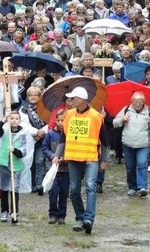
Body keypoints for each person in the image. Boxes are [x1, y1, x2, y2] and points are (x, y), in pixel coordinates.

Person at [52, 87, 108, 234]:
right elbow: (63, 137)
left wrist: (104, 159)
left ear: (81, 100)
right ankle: (80, 218)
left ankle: (89, 219)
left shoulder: (96, 116)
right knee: (74, 190)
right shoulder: (68, 115)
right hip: (73, 156)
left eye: (72, 98)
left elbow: (105, 141)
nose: (69, 101)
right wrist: (57, 155)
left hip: (91, 157)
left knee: (90, 186)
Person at [113, 91, 150, 197]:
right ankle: (132, 187)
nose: (137, 104)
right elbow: (115, 123)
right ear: (131, 101)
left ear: (143, 102)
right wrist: (122, 119)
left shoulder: (148, 112)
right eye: (135, 101)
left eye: (140, 102)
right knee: (130, 166)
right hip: (127, 143)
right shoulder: (126, 110)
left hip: (143, 144)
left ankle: (142, 186)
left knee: (142, 164)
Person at [0, 111, 34, 224]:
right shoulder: (5, 131)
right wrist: (4, 119)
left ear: (20, 120)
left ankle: (14, 211)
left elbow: (24, 152)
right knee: (4, 188)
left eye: (16, 118)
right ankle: (4, 211)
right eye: (12, 118)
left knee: (14, 189)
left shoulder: (23, 134)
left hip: (15, 164)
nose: (14, 120)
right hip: (4, 162)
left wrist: (14, 150)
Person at [42, 109, 69, 225]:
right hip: (53, 168)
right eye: (58, 120)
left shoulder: (69, 135)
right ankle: (52, 214)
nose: (60, 123)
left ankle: (62, 215)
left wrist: (65, 158)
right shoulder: (50, 134)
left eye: (63, 121)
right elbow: (44, 147)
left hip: (66, 169)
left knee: (64, 192)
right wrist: (52, 156)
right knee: (53, 192)